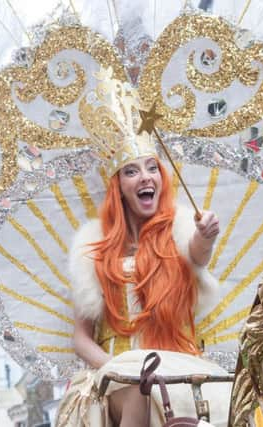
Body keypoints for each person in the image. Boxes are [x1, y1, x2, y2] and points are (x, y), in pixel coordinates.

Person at [55, 69, 231, 426]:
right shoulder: (92, 246)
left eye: (152, 168)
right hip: (118, 377)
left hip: (181, 369)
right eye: (132, 171)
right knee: (142, 390)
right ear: (118, 185)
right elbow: (81, 337)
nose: (145, 177)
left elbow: (196, 254)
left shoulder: (181, 226)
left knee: (221, 401)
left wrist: (206, 235)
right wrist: (119, 369)